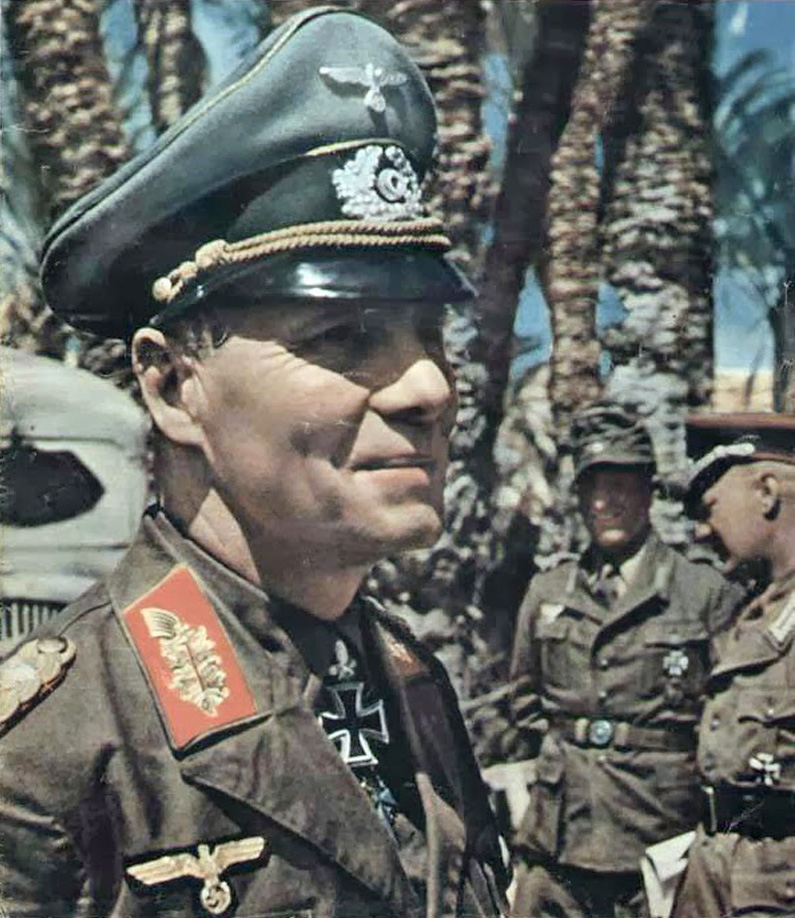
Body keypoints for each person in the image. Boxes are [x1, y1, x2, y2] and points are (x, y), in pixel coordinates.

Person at [0, 10, 508, 918]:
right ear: (172, 386)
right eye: (343, 336)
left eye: (430, 334)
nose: (429, 386)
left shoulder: (405, 676)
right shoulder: (54, 750)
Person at [509, 403, 742, 918]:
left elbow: (727, 724)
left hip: (661, 838)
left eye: (618, 485)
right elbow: (524, 705)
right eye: (591, 488)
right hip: (560, 838)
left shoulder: (703, 592)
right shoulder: (548, 591)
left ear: (648, 491)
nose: (603, 502)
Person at [670, 415, 795, 918]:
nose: (702, 531)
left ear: (766, 492)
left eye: (710, 509)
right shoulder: (753, 611)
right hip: (719, 875)